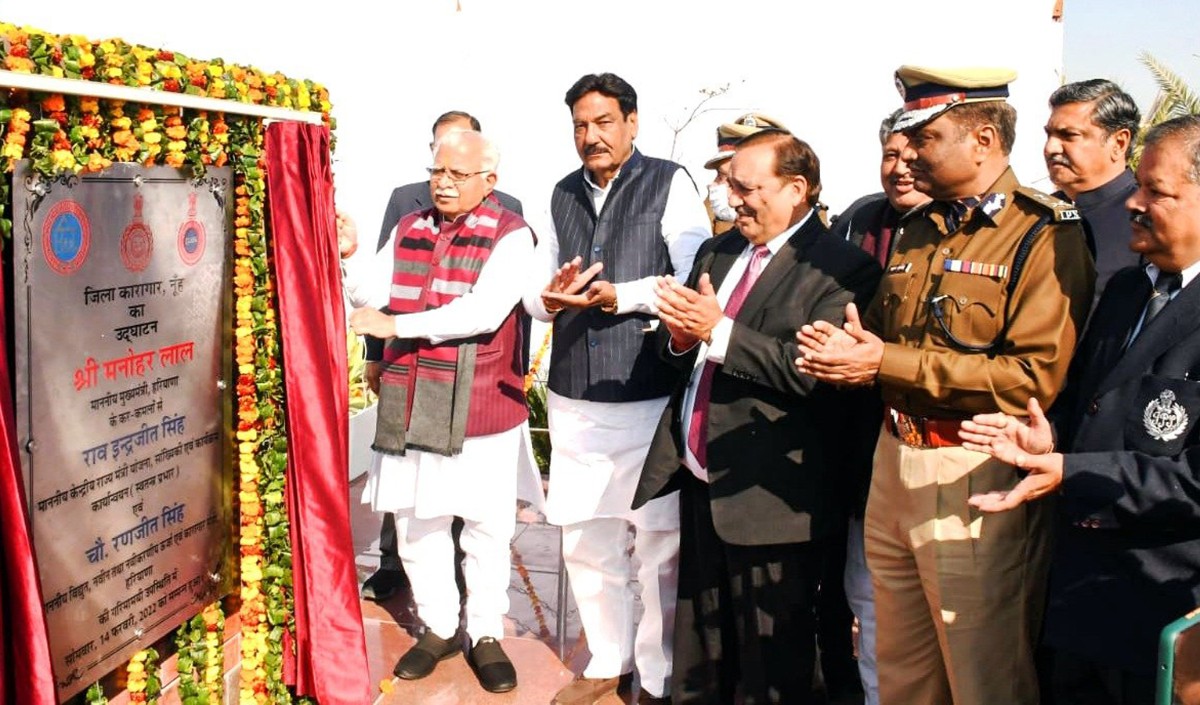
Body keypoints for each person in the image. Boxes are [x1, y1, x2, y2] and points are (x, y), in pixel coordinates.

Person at [795, 66, 1095, 705]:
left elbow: (1030, 377)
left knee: (983, 676)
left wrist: (883, 364)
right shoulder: (918, 226)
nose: (908, 154)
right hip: (893, 463)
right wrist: (844, 351)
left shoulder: (1044, 232)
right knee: (901, 670)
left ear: (982, 140)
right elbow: (881, 335)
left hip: (973, 472)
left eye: (925, 138)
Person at [960, 114, 1200, 705]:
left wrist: (1072, 471)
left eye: (1156, 192)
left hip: (1164, 605)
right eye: (1137, 185)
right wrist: (1050, 444)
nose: (1133, 203)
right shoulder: (1126, 291)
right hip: (1078, 598)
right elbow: (1097, 403)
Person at [633, 129, 880, 704]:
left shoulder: (842, 269)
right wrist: (677, 339)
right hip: (703, 479)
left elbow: (808, 370)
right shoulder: (718, 252)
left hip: (773, 496)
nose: (732, 198)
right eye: (727, 185)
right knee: (701, 644)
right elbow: (684, 353)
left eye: (746, 187)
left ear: (797, 189)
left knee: (773, 656)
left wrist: (715, 332)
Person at [526, 72, 711, 705]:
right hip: (575, 394)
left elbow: (692, 274)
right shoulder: (559, 194)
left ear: (632, 122)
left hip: (647, 392)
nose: (590, 136)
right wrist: (547, 300)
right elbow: (536, 286)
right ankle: (608, 657)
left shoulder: (669, 182)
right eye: (580, 125)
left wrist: (621, 297)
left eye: (604, 122)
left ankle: (656, 673)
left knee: (658, 542)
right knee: (583, 534)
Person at [347, 129, 539, 694]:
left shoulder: (512, 234)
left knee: (484, 525)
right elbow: (371, 292)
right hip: (413, 394)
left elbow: (480, 312)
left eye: (457, 174)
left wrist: (397, 327)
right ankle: (437, 626)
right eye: (437, 172)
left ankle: (483, 632)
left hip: (481, 401)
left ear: (489, 181)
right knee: (415, 520)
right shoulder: (412, 226)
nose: (444, 183)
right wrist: (347, 257)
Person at [826, 108, 931, 705]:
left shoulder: (958, 227)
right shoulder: (860, 218)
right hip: (857, 440)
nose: (901, 168)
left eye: (914, 154)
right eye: (891, 154)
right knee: (861, 592)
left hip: (931, 443)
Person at [1044, 79, 1142, 304]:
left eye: (1069, 136)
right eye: (1049, 134)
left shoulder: (1144, 220)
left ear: (1119, 143)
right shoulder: (1038, 212)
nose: (1051, 148)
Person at [704, 113, 789, 237]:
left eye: (739, 181)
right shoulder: (702, 213)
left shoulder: (810, 234)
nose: (716, 185)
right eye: (720, 175)